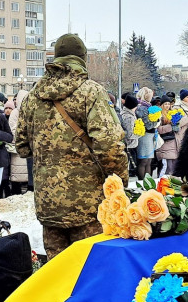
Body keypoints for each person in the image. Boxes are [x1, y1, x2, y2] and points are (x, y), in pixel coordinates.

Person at [14, 34, 127, 259]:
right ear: (82, 58)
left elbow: (22, 147)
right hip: (89, 205)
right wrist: (120, 183)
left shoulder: (32, 97)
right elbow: (110, 146)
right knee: (89, 269)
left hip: (48, 203)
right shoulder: (91, 92)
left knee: (57, 272)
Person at [7, 89, 31, 195]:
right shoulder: (15, 113)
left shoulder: (29, 111)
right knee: (17, 172)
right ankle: (16, 193)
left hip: (27, 146)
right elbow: (14, 129)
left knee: (26, 173)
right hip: (18, 146)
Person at [134, 87, 156, 180]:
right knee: (144, 160)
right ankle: (143, 181)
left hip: (148, 136)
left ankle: (147, 181)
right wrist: (156, 121)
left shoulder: (145, 106)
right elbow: (148, 125)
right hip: (145, 136)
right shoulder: (143, 108)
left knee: (148, 161)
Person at [119, 93, 139, 181]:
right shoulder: (128, 117)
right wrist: (140, 134)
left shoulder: (129, 114)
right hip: (129, 144)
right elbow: (129, 134)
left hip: (130, 144)